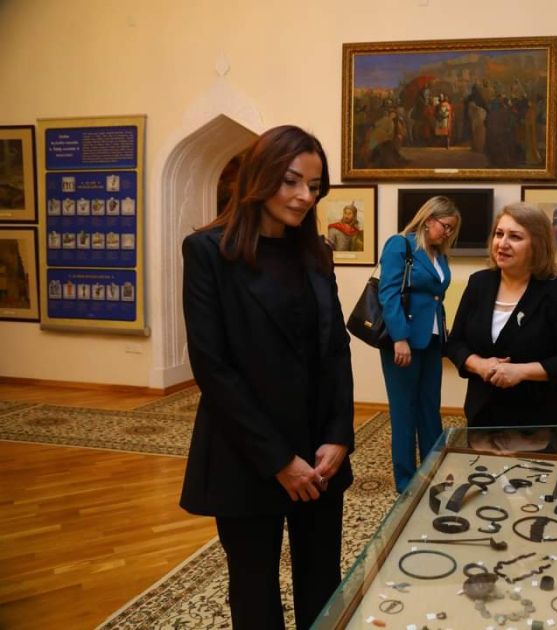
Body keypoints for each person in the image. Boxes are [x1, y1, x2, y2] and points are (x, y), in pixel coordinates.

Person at [179, 125, 354, 630]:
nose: (304, 197)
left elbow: (335, 350)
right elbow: (213, 368)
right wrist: (279, 460)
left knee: (322, 585)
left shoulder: (315, 252)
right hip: (248, 454)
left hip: (319, 456)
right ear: (259, 177)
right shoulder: (208, 252)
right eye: (291, 181)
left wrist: (339, 436)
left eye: (314, 186)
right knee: (254, 592)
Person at [446, 202, 557, 428]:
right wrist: (479, 365)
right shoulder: (478, 283)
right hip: (481, 415)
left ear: (537, 244)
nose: (502, 243)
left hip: (537, 421)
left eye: (515, 237)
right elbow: (455, 343)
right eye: (499, 234)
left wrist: (521, 372)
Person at [378, 196, 460, 492]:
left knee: (429, 408)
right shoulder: (400, 245)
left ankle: (431, 471)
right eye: (445, 226)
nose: (447, 233)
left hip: (433, 341)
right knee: (404, 412)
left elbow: (435, 297)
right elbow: (388, 294)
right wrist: (399, 338)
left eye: (452, 229)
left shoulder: (440, 255)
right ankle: (406, 481)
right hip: (404, 341)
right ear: (428, 219)